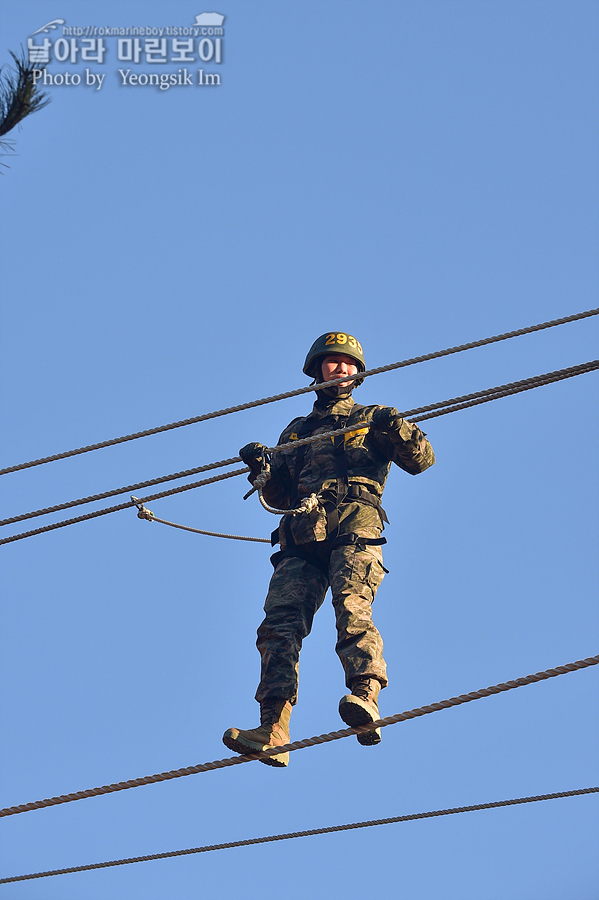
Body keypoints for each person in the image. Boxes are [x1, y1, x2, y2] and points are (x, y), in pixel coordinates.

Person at [223, 332, 435, 766]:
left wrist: (396, 426)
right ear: (316, 370)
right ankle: (273, 727)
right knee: (278, 625)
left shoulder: (373, 417)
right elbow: (279, 496)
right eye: (330, 362)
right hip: (301, 533)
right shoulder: (298, 431)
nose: (339, 368)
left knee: (351, 608)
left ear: (358, 373)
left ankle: (365, 697)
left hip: (354, 525)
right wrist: (261, 468)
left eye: (346, 363)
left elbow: (422, 459)